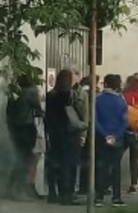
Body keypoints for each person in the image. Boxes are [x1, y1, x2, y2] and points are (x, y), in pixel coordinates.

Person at [45, 69, 85, 205]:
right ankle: (67, 194)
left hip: (55, 134)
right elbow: (80, 113)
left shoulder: (50, 94)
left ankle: (52, 193)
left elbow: (48, 116)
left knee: (55, 163)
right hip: (69, 134)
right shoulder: (70, 95)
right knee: (69, 165)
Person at [6, 71, 43, 200]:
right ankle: (20, 190)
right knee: (26, 159)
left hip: (16, 129)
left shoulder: (16, 94)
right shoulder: (31, 92)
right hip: (27, 128)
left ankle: (11, 188)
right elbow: (38, 109)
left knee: (19, 158)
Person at [95, 74, 128, 207]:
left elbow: (95, 120)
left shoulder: (98, 100)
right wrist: (115, 136)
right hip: (117, 138)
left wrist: (105, 135)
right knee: (116, 167)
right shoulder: (121, 101)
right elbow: (125, 122)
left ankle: (99, 197)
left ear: (106, 84)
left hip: (101, 137)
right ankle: (116, 197)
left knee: (101, 166)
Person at [77, 75, 100, 195]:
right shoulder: (92, 94)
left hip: (86, 127)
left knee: (86, 159)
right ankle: (89, 186)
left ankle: (83, 186)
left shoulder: (81, 92)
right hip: (91, 128)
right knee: (91, 158)